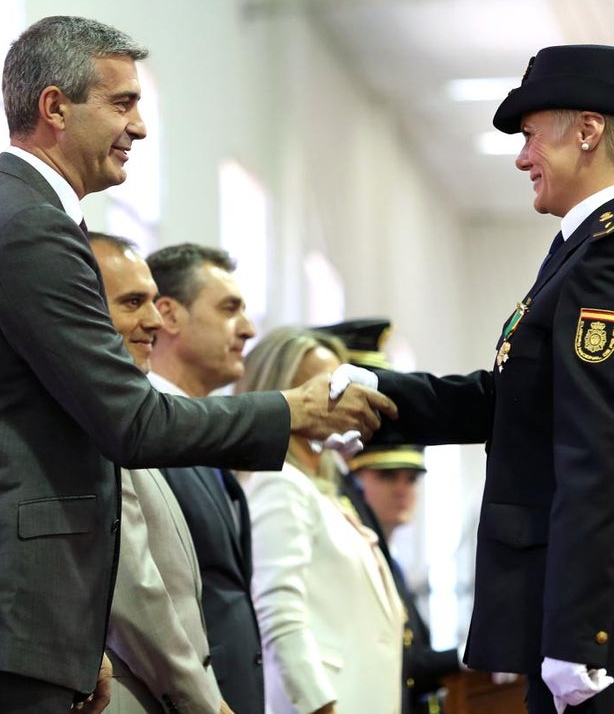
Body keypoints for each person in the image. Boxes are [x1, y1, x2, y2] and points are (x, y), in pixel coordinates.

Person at [0, 15, 395, 713]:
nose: (141, 127)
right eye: (121, 103)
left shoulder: (16, 217)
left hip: (23, 604)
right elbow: (129, 421)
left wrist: (78, 629)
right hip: (7, 597)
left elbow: (48, 437)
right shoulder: (29, 227)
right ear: (55, 107)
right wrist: (290, 410)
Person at [360, 44, 614, 713]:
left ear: (587, 132)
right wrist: (378, 391)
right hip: (588, 623)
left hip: (604, 638)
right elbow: (521, 403)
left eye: (529, 137)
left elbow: (600, 450)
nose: (521, 158)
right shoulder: (587, 249)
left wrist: (580, 635)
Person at [87, 232, 232, 714]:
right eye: (132, 302)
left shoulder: (131, 419)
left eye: (152, 302)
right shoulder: (93, 423)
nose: (153, 321)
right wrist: (205, 703)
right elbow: (136, 591)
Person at [239, 328, 405, 714]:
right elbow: (278, 612)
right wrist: (318, 705)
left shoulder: (324, 491)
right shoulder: (278, 482)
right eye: (326, 387)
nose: (343, 399)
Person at [146, 243, 266, 713]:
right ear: (169, 316)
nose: (249, 330)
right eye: (229, 309)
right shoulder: (145, 436)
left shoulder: (201, 437)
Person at [320, 319, 462, 714]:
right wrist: (464, 656)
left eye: (411, 478)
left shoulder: (391, 560)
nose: (403, 490)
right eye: (386, 476)